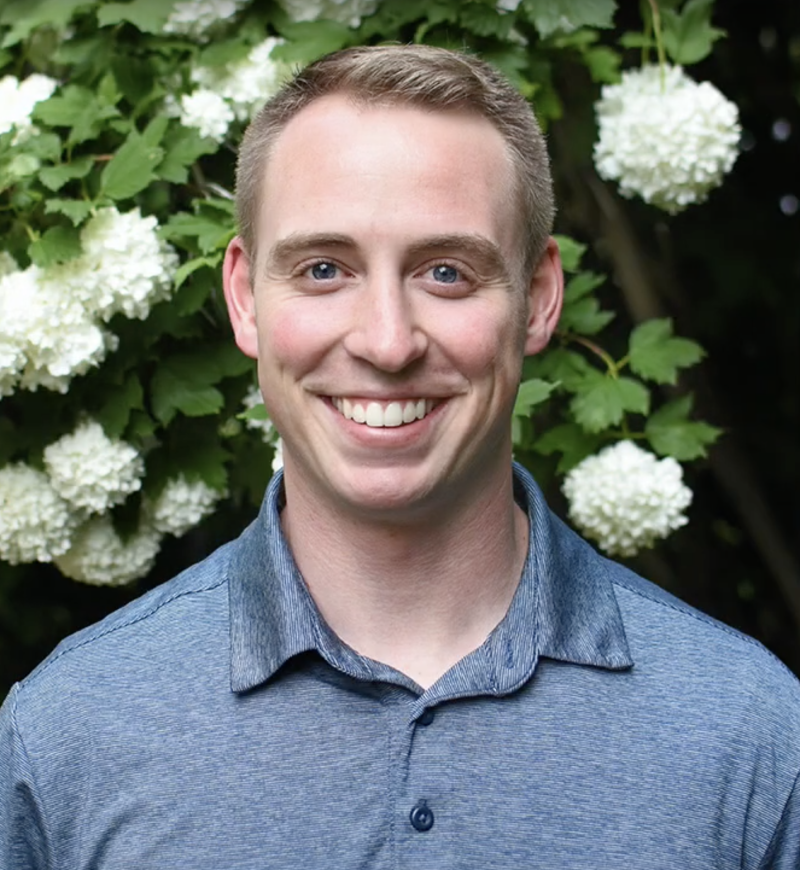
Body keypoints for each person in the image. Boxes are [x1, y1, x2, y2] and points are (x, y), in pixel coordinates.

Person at [2, 44, 799, 870]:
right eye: (323, 269)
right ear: (244, 298)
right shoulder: (69, 733)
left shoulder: (749, 737)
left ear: (538, 298)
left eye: (447, 273)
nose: (387, 343)